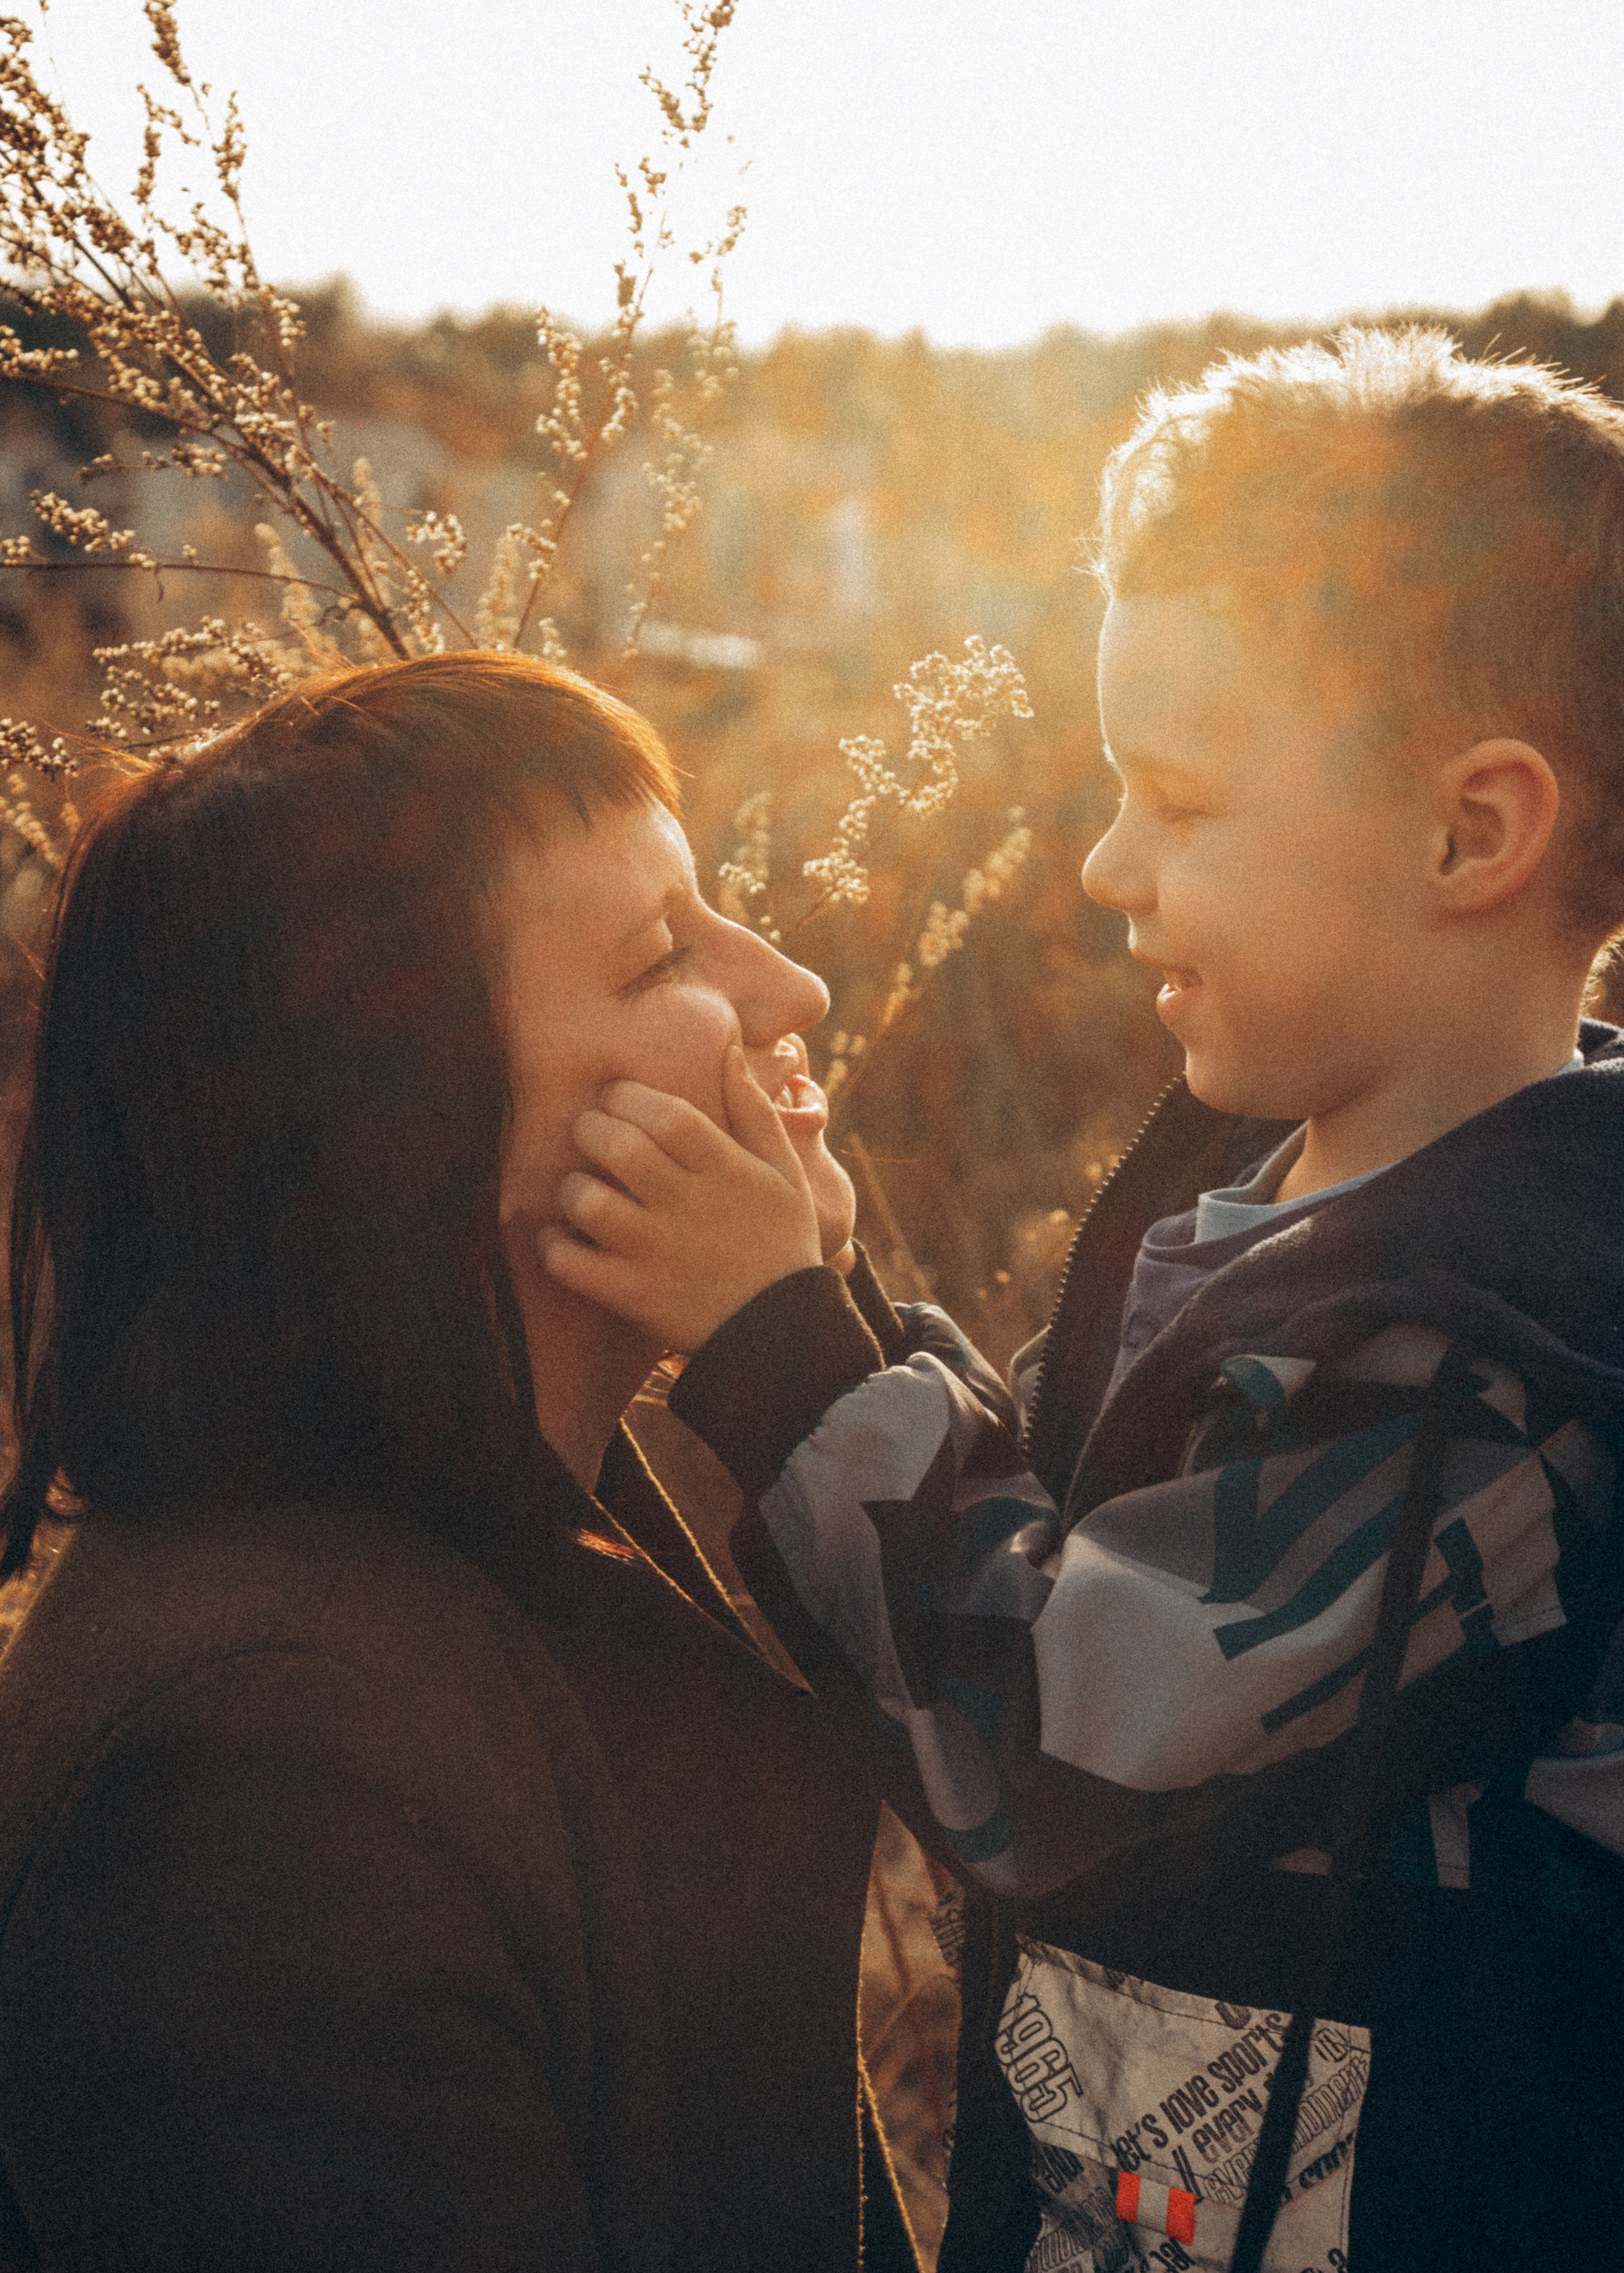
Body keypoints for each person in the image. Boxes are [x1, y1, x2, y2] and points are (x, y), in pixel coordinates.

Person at [542, 331, 1624, 2273]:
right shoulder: (1261, 1197)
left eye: (1179, 801)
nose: (1111, 864)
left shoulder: (1502, 1364)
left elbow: (1057, 1738)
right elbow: (1062, 1536)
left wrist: (784, 1350)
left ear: (1473, 833)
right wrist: (845, 1301)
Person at [0, 653, 919, 2273]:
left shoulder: (536, 1539)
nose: (789, 991)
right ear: (409, 1122)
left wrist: (805, 1348)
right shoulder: (257, 1779)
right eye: (662, 956)